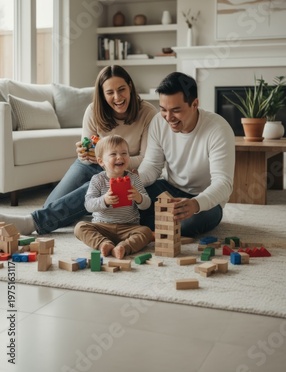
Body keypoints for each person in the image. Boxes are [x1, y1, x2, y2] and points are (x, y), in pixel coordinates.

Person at [0, 66, 157, 235]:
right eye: (110, 92)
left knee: (88, 191)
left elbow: (145, 157)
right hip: (90, 164)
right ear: (102, 94)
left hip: (122, 169)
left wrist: (112, 163)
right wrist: (85, 153)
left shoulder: (147, 113)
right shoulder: (93, 111)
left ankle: (31, 223)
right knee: (51, 205)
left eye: (121, 90)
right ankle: (92, 208)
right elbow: (87, 146)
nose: (117, 97)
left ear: (130, 87)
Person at [138, 71, 235, 238]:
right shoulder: (158, 122)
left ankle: (143, 225)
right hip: (170, 188)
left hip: (204, 200)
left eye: (176, 110)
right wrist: (134, 180)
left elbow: (223, 183)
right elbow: (152, 166)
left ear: (195, 104)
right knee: (131, 197)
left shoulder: (218, 129)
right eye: (163, 110)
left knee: (190, 224)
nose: (168, 118)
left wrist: (196, 204)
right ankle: (155, 224)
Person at [74, 135, 153, 259]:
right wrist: (104, 200)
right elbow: (88, 205)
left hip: (128, 227)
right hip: (102, 226)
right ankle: (104, 244)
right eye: (113, 154)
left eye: (124, 153)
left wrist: (138, 197)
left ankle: (123, 247)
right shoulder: (97, 180)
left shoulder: (133, 179)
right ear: (101, 161)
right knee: (80, 227)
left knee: (146, 232)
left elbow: (147, 204)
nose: (120, 157)